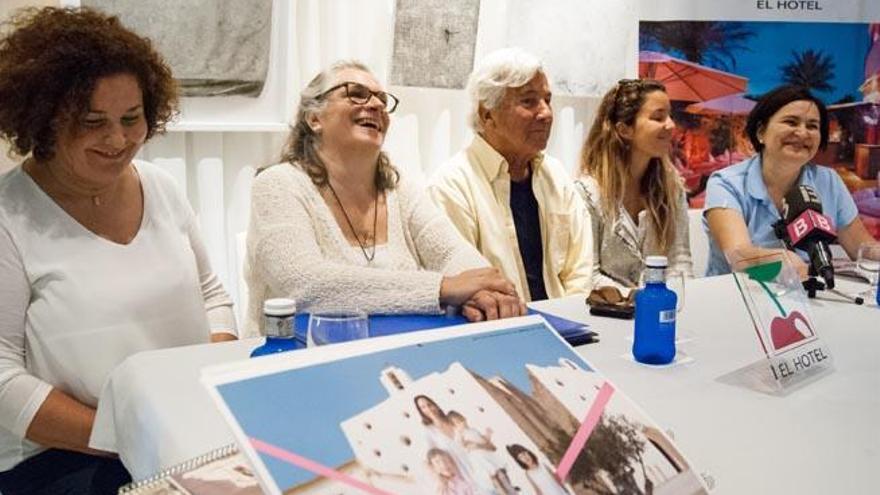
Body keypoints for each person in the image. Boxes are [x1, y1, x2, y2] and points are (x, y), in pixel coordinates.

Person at [0, 7, 237, 494]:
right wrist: (129, 434)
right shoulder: (10, 215)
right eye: (92, 122)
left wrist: (200, 385)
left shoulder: (162, 187)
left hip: (183, 439)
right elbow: (2, 380)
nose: (117, 139)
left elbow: (213, 297)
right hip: (64, 460)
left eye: (132, 119)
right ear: (43, 122)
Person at [244, 60, 525, 336]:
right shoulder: (277, 184)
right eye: (356, 94)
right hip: (294, 358)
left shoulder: (400, 190)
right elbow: (304, 284)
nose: (377, 105)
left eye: (381, 98)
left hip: (393, 354)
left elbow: (453, 253)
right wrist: (442, 289)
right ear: (314, 118)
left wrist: (486, 294)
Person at [429, 48, 593, 302]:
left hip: (569, 327)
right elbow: (467, 286)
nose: (546, 113)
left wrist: (572, 319)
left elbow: (579, 271)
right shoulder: (452, 185)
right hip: (497, 331)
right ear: (488, 114)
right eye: (528, 101)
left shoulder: (555, 175)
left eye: (547, 100)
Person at [703, 85, 876, 275]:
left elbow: (863, 249)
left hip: (810, 297)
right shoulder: (726, 183)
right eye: (791, 122)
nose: (802, 133)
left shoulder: (829, 181)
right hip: (737, 296)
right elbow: (739, 257)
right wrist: (784, 261)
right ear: (761, 132)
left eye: (812, 126)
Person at [577, 79, 693, 291]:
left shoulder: (673, 188)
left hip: (662, 311)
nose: (671, 125)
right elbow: (588, 274)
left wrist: (673, 300)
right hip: (606, 315)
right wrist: (641, 299)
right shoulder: (586, 193)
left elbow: (680, 261)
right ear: (624, 130)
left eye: (670, 115)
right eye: (658, 117)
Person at [448, 411, 514, 495]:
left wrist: (488, 435)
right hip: (479, 459)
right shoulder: (460, 434)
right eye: (458, 423)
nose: (462, 423)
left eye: (461, 420)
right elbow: (461, 445)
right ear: (454, 426)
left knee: (501, 475)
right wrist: (460, 433)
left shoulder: (473, 430)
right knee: (494, 479)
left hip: (487, 455)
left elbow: (484, 442)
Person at [505, 444, 571, 495]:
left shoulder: (543, 465)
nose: (525, 458)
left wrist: (567, 491)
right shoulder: (528, 474)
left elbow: (557, 479)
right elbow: (537, 490)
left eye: (524, 454)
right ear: (520, 461)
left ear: (528, 452)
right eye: (521, 457)